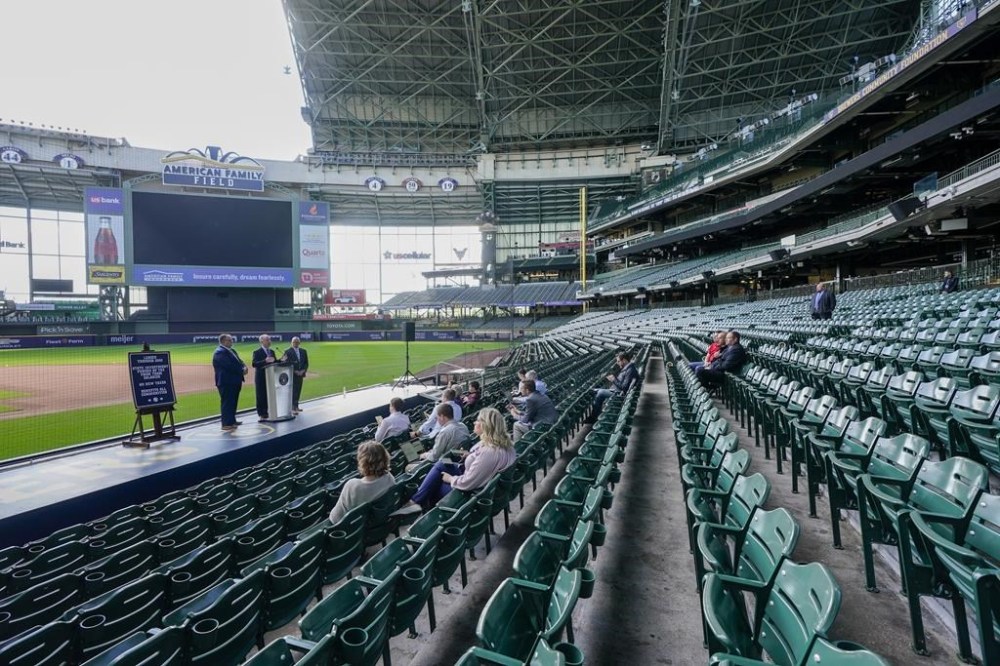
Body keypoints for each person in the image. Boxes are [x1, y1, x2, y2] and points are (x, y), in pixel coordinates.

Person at [396, 407, 517, 513]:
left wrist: (450, 479)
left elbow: (468, 482)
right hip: (480, 483)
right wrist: (470, 455)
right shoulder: (503, 445)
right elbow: (482, 463)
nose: (475, 422)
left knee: (434, 486)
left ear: (486, 425)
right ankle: (415, 501)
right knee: (441, 464)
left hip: (474, 493)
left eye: (478, 420)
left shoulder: (490, 452)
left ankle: (421, 509)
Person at [328, 441, 395, 524]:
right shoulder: (390, 478)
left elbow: (335, 518)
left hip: (348, 528)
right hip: (371, 523)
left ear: (362, 462)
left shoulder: (352, 485)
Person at [212, 333, 247, 431]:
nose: (232, 342)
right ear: (223, 341)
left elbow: (240, 361)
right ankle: (226, 423)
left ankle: (232, 420)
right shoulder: (219, 352)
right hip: (226, 382)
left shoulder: (232, 351)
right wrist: (242, 370)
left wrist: (244, 366)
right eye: (230, 340)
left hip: (234, 381)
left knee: (233, 402)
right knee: (227, 402)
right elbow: (228, 366)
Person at [591, 351, 639, 419]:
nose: (617, 363)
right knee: (595, 391)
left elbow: (624, 387)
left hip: (619, 394)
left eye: (618, 361)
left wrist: (613, 380)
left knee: (600, 393)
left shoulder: (630, 370)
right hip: (616, 390)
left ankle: (594, 417)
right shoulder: (628, 368)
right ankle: (595, 415)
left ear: (624, 360)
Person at [251, 334, 278, 420]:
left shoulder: (272, 352)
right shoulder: (257, 352)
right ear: (261, 341)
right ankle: (262, 413)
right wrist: (265, 361)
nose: (269, 341)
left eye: (270, 340)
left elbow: (275, 362)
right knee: (261, 395)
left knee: (270, 394)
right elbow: (254, 364)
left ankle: (270, 411)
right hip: (261, 377)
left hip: (271, 376)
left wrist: (282, 360)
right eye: (267, 340)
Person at [282, 336, 309, 413]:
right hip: (292, 374)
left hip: (301, 375)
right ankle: (293, 408)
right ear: (291, 343)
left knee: (298, 390)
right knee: (293, 391)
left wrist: (303, 370)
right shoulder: (287, 351)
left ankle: (296, 406)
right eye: (294, 342)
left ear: (299, 343)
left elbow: (306, 363)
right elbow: (286, 363)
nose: (295, 343)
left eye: (297, 342)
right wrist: (295, 371)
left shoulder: (303, 351)